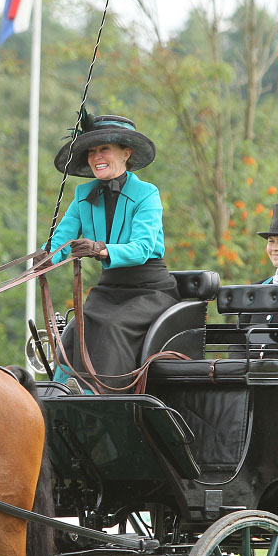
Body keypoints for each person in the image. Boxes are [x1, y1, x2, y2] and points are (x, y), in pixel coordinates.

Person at [42, 110, 179, 393]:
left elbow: (142, 249)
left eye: (104, 148)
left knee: (110, 326)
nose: (96, 157)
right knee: (75, 328)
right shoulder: (83, 196)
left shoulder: (147, 194)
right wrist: (43, 259)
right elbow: (60, 242)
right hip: (109, 289)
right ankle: (60, 393)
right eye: (91, 151)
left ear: (126, 153)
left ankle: (102, 395)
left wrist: (100, 249)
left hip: (150, 289)